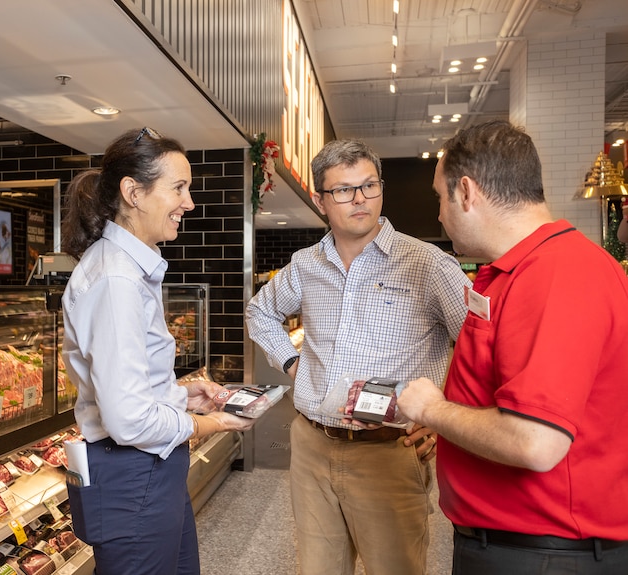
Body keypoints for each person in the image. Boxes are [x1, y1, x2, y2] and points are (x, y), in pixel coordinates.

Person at [397, 120, 628, 574]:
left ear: (467, 192)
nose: (439, 214)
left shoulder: (556, 275)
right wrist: (451, 426)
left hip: (544, 553)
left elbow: (536, 441)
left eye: (440, 198)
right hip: (519, 545)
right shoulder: (527, 269)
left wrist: (433, 410)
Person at [246, 138, 471, 575]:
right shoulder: (307, 265)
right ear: (320, 200)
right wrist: (294, 365)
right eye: (344, 190)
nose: (360, 199)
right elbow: (260, 312)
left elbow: (478, 347)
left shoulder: (426, 263)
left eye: (369, 185)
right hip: (311, 446)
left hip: (389, 451)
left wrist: (446, 414)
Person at [59, 126, 254, 575]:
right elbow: (128, 418)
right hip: (132, 477)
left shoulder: (127, 269)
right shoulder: (117, 280)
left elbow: (131, 389)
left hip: (148, 473)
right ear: (133, 192)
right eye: (179, 188)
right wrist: (209, 423)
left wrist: (180, 397)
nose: (189, 203)